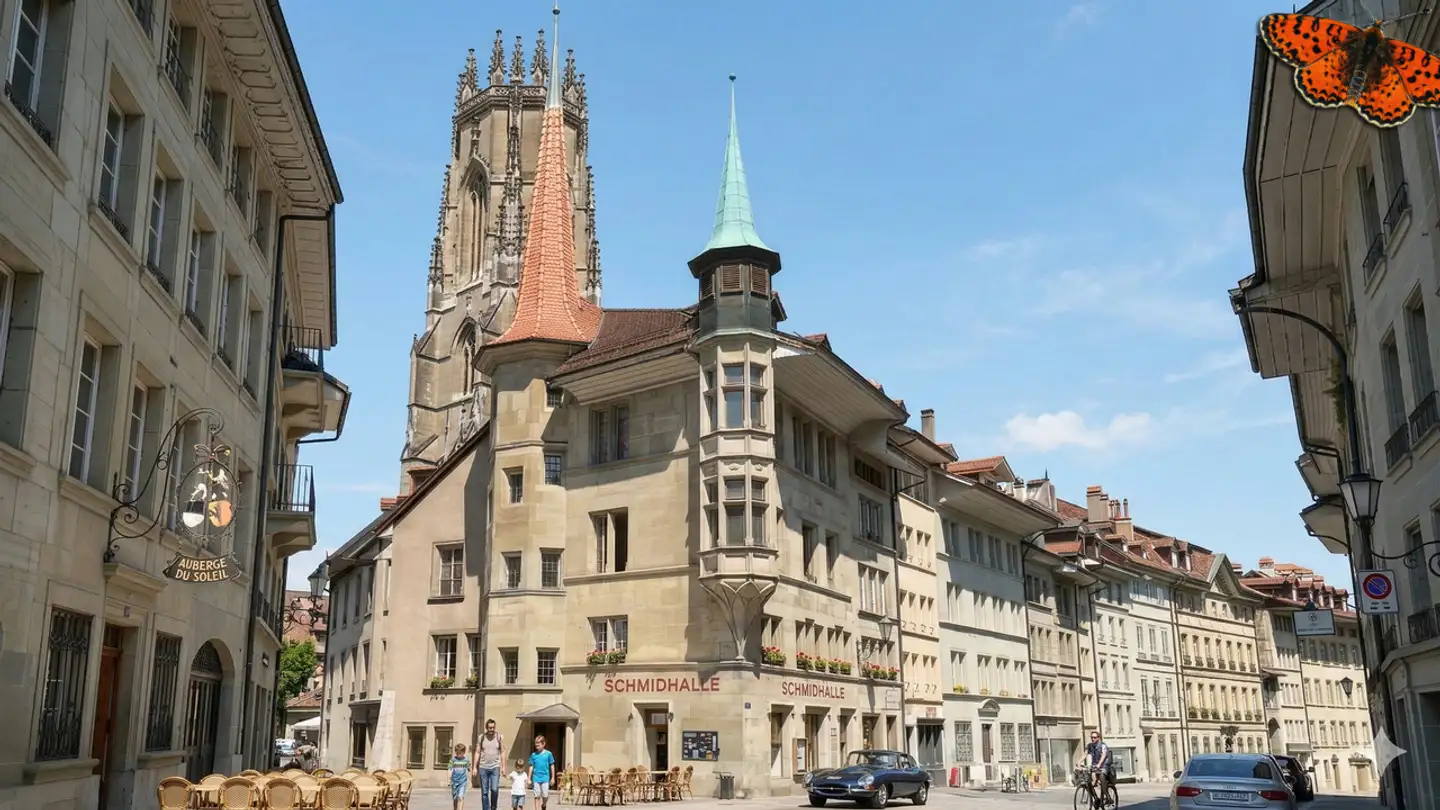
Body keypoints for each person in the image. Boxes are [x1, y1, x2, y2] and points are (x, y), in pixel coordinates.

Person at [478, 719, 505, 810]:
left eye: (493, 727)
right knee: (484, 792)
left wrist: (503, 767)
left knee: (494, 789)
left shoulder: (499, 737)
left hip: (495, 767)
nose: (492, 729)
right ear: (486, 728)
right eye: (490, 728)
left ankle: (493, 808)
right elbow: (477, 752)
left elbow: (502, 752)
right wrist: (474, 767)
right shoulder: (481, 737)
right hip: (483, 767)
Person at [528, 735, 556, 810]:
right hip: (536, 777)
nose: (536, 745)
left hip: (545, 777)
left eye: (538, 744)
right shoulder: (533, 755)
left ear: (543, 744)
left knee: (545, 795)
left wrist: (553, 778)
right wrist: (529, 778)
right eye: (535, 744)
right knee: (536, 795)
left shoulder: (548, 754)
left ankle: (543, 805)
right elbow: (531, 766)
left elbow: (552, 765)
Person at [1085, 731, 1112, 804]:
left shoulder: (1103, 745)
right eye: (1092, 737)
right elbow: (1085, 754)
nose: (1093, 739)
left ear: (1098, 738)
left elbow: (1104, 755)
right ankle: (1096, 799)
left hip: (1104, 765)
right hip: (1095, 766)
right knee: (1090, 782)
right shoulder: (1089, 746)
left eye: (1094, 737)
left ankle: (1108, 797)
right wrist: (1078, 762)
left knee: (1101, 776)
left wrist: (1099, 764)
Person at [450, 742, 473, 810]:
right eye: (457, 753)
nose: (459, 755)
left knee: (460, 797)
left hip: (462, 782)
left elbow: (469, 770)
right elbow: (449, 770)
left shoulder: (466, 760)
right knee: (455, 799)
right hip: (454, 782)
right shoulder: (453, 760)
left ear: (464, 752)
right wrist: (449, 779)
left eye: (460, 753)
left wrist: (470, 781)